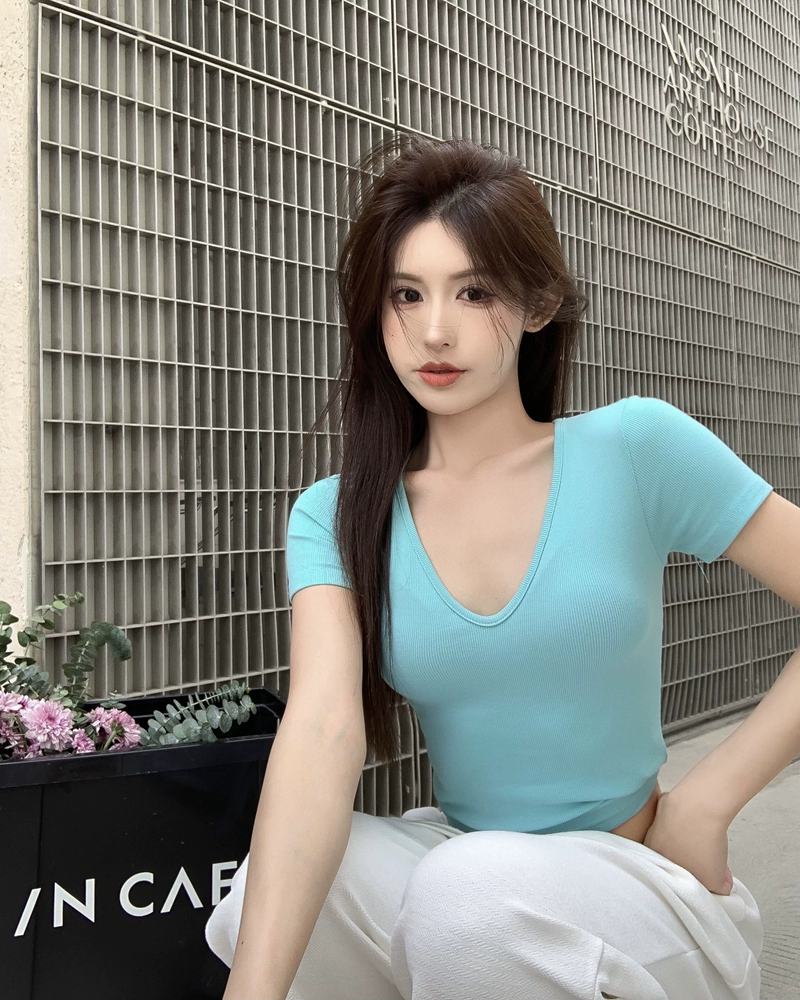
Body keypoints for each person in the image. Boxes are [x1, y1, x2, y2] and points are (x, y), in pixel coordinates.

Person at [204, 135, 769, 1000]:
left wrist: (709, 798)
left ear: (538, 302)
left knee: (466, 901)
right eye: (406, 294)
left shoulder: (633, 447)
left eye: (474, 291)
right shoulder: (337, 512)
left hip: (637, 886)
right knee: (270, 899)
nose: (435, 330)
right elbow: (321, 733)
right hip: (467, 866)